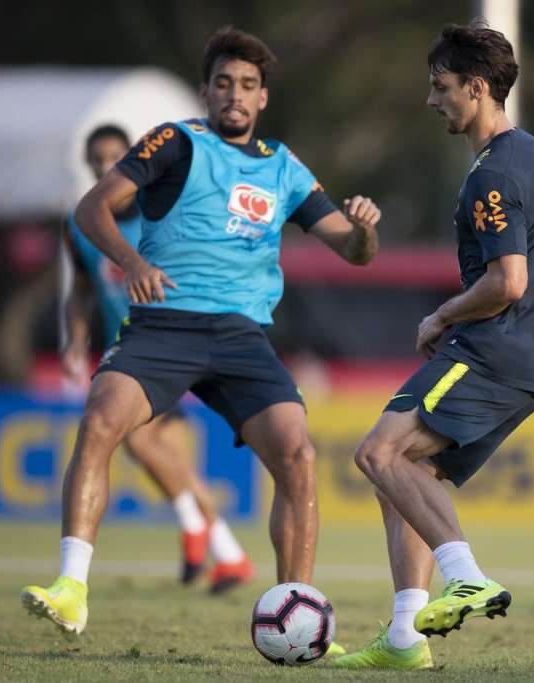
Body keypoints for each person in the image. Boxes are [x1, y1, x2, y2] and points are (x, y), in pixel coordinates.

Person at [21, 26, 381, 638]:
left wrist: (365, 228)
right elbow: (92, 209)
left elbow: (353, 250)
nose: (234, 95)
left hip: (243, 336)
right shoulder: (175, 142)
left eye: (247, 85)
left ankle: (295, 614)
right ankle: (72, 586)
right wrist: (133, 263)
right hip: (164, 326)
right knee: (102, 420)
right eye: (223, 83)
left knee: (297, 453)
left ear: (263, 97)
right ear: (205, 92)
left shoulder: (284, 168)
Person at [333, 21, 534, 671]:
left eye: (441, 87)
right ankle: (407, 635)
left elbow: (509, 280)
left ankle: (467, 577)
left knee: (377, 452)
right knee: (407, 476)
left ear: (478, 87)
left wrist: (444, 313)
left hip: (490, 348)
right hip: (523, 357)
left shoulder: (491, 174)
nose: (432, 100)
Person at [59, 123, 252, 592]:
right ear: (90, 166)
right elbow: (81, 289)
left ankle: (211, 540)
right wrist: (75, 339)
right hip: (125, 351)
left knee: (142, 445)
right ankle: (219, 548)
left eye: (114, 157)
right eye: (98, 160)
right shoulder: (82, 224)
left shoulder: (157, 210)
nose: (107, 167)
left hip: (172, 341)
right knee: (159, 455)